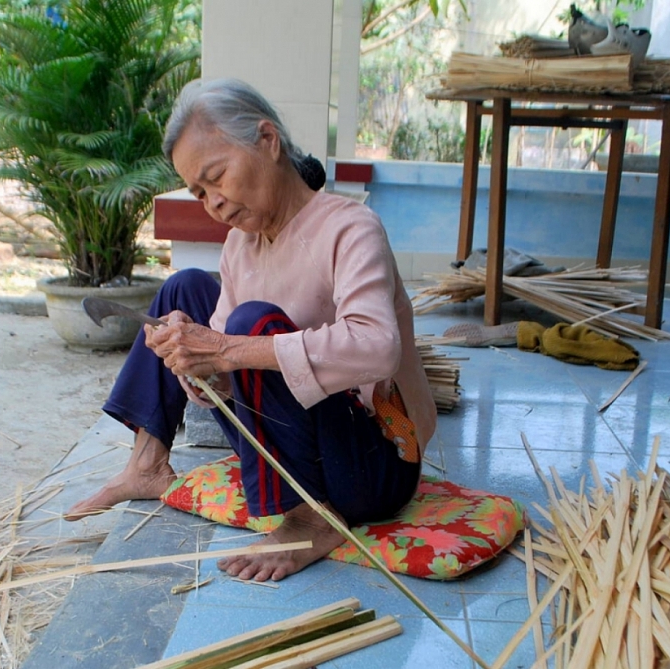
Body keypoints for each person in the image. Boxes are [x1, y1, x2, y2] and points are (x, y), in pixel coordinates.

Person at [66, 78, 437, 582]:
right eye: (199, 193)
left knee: (247, 326)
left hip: (373, 465)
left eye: (216, 177)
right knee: (183, 293)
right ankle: (147, 464)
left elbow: (377, 348)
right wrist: (192, 363)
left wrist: (225, 348)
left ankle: (309, 518)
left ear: (267, 140)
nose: (212, 202)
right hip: (295, 450)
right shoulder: (241, 247)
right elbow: (225, 381)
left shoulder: (351, 227)